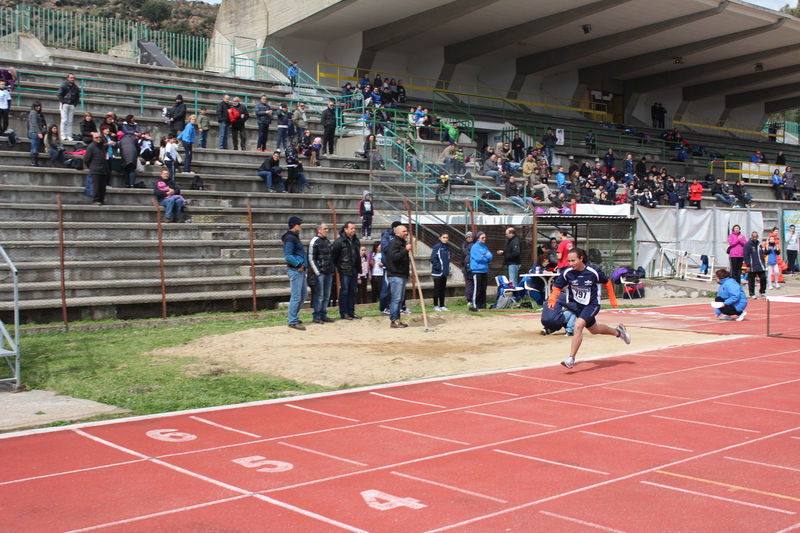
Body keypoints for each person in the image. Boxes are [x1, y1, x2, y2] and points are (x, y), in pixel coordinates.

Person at [548, 248, 629, 369]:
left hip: (592, 304)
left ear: (581, 258)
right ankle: (619, 332)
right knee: (594, 330)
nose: (571, 264)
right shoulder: (567, 273)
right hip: (579, 306)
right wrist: (552, 299)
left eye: (573, 260)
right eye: (569, 261)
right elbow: (557, 286)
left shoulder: (593, 272)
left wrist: (613, 299)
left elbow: (607, 282)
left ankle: (571, 358)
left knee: (578, 326)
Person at [332, 221, 362, 320]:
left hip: (354, 268)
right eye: (351, 228)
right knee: (344, 291)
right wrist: (340, 267)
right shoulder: (339, 241)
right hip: (345, 270)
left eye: (354, 228)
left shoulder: (356, 240)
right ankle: (344, 312)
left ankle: (351, 311)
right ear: (345, 229)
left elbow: (357, 255)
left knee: (353, 291)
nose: (353, 230)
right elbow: (334, 257)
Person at [307, 222, 335, 325]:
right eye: (325, 229)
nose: (327, 230)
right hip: (320, 273)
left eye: (328, 229)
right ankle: (317, 315)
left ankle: (323, 314)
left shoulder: (327, 241)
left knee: (327, 295)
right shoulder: (314, 241)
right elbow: (311, 258)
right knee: (319, 295)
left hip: (328, 272)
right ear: (319, 229)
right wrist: (317, 272)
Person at [283, 216, 307, 330]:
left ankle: (294, 316)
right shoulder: (290, 238)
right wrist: (299, 264)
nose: (301, 225)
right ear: (293, 225)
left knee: (303, 295)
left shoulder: (294, 237)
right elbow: (288, 256)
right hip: (295, 270)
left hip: (299, 271)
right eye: (299, 224)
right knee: (296, 296)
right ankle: (292, 320)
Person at [385, 224, 412, 328]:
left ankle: (398, 319)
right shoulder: (394, 243)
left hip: (401, 274)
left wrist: (407, 274)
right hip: (395, 274)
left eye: (406, 231)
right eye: (404, 231)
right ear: (397, 233)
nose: (406, 233)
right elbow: (394, 258)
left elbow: (405, 261)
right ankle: (393, 321)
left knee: (400, 299)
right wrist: (405, 250)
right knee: (396, 298)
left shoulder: (402, 243)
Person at [84, 132, 109, 206]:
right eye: (96, 137)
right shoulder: (91, 147)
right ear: (93, 138)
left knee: (102, 187)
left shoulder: (102, 147)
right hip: (95, 169)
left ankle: (101, 200)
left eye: (99, 137)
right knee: (96, 186)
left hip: (103, 169)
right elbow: (86, 159)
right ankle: (95, 200)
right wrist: (91, 167)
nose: (98, 139)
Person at [469, 231, 492, 311]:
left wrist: (484, 256)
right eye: (483, 237)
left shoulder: (485, 247)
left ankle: (483, 305)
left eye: (485, 237)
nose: (484, 239)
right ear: (478, 238)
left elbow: (490, 256)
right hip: (477, 270)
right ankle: (476, 305)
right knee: (477, 289)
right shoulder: (475, 247)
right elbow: (478, 258)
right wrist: (485, 257)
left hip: (484, 270)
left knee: (483, 289)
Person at [743, 231, 767, 299]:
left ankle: (762, 292)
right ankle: (752, 293)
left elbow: (761, 254)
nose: (755, 238)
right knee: (751, 280)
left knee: (763, 278)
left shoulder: (759, 244)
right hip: (752, 265)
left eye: (756, 237)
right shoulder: (747, 245)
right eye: (754, 237)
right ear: (751, 237)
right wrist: (748, 265)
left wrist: (763, 262)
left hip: (760, 264)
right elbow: (746, 256)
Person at [57, 73, 80, 141]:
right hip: (65, 104)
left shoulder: (76, 87)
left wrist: (74, 104)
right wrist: (63, 102)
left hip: (71, 104)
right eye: (71, 77)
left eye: (73, 78)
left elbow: (77, 97)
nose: (72, 79)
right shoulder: (64, 85)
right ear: (68, 78)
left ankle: (68, 135)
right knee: (64, 120)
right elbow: (59, 94)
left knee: (70, 121)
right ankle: (62, 134)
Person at [431, 233, 451, 312]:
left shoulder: (447, 248)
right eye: (444, 237)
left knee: (443, 289)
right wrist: (439, 267)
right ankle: (435, 305)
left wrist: (447, 269)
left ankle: (442, 305)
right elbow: (433, 258)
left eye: (447, 237)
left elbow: (448, 259)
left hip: (444, 272)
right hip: (437, 272)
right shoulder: (437, 247)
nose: (445, 239)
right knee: (437, 289)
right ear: (440, 238)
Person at [26, 101, 46, 167]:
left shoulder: (32, 113)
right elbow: (34, 124)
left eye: (39, 106)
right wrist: (39, 132)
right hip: (35, 132)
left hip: (32, 132)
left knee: (33, 147)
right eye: (37, 106)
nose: (38, 108)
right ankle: (34, 162)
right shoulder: (34, 113)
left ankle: (33, 161)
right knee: (35, 148)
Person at [369, 242, 386, 307]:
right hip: (373, 274)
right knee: (374, 289)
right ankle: (374, 302)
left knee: (380, 289)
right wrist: (370, 262)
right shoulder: (372, 254)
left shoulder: (383, 254)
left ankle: (381, 302)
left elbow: (387, 262)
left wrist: (383, 264)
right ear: (376, 247)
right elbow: (368, 262)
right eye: (380, 246)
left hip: (381, 274)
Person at [462, 232, 475, 307]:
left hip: (471, 267)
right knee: (469, 283)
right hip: (466, 267)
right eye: (468, 237)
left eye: (471, 237)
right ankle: (469, 299)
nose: (470, 238)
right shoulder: (464, 245)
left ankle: (473, 298)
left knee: (472, 283)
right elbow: (464, 254)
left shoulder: (474, 245)